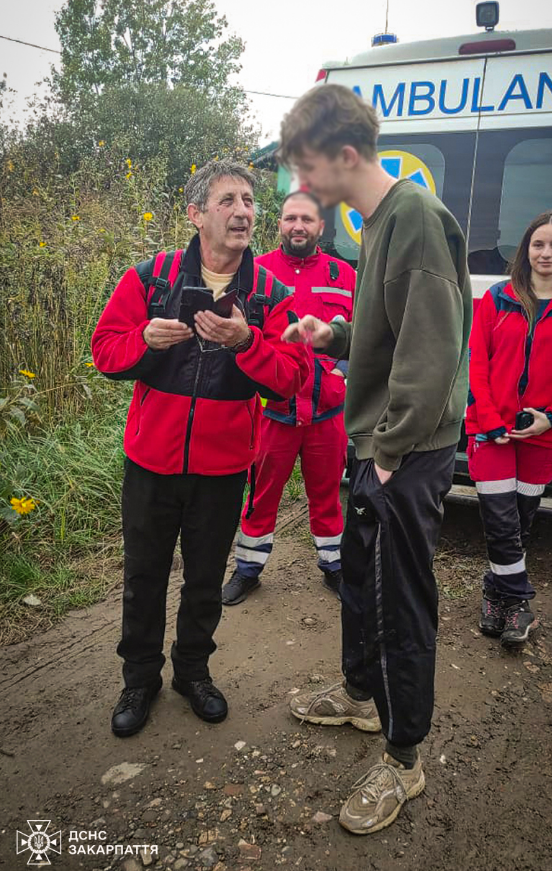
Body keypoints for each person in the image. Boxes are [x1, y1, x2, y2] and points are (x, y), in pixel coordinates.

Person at [279, 84, 472, 835]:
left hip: (406, 449)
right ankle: (361, 697)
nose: (300, 187)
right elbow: (385, 329)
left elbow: (430, 354)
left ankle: (404, 756)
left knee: (399, 604)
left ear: (346, 156)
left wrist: (388, 454)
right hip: (379, 441)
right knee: (358, 581)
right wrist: (334, 335)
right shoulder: (376, 221)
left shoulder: (416, 220)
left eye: (306, 169)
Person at [91, 159, 310, 738]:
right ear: (195, 214)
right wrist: (142, 339)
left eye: (248, 201)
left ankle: (193, 671)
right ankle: (140, 678)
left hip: (222, 467)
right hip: (150, 461)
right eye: (228, 201)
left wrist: (247, 341)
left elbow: (292, 376)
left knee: (206, 577)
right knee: (143, 576)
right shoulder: (151, 277)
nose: (243, 212)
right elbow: (105, 351)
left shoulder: (270, 294)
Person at [467, 209, 552, 647]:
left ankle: (495, 592)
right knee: (501, 518)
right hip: (492, 430)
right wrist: (490, 419)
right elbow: (478, 365)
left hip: (545, 433)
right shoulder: (498, 298)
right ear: (525, 250)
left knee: (520, 522)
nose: (546, 252)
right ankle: (520, 600)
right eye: (538, 244)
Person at [222, 190, 356, 605]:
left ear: (321, 227)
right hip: (272, 411)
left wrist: (342, 375)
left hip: (327, 411)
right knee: (260, 495)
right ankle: (248, 570)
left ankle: (335, 567)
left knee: (328, 493)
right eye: (290, 218)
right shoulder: (255, 273)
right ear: (278, 223)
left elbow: (362, 336)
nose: (298, 226)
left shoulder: (345, 276)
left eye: (307, 219)